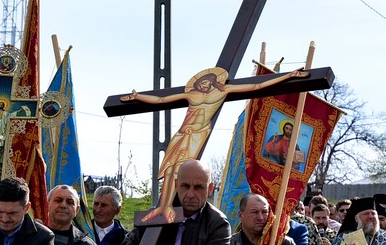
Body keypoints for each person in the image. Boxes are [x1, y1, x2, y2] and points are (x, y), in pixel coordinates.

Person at [120, 69, 306, 223]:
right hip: (182, 134)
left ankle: (168, 207)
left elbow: (256, 85)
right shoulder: (191, 93)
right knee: (169, 171)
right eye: (200, 81)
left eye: (207, 81)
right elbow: (161, 100)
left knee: (179, 171)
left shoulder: (222, 91)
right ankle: (162, 206)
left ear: (213, 82)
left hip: (197, 135)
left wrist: (288, 76)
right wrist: (138, 97)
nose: (202, 84)